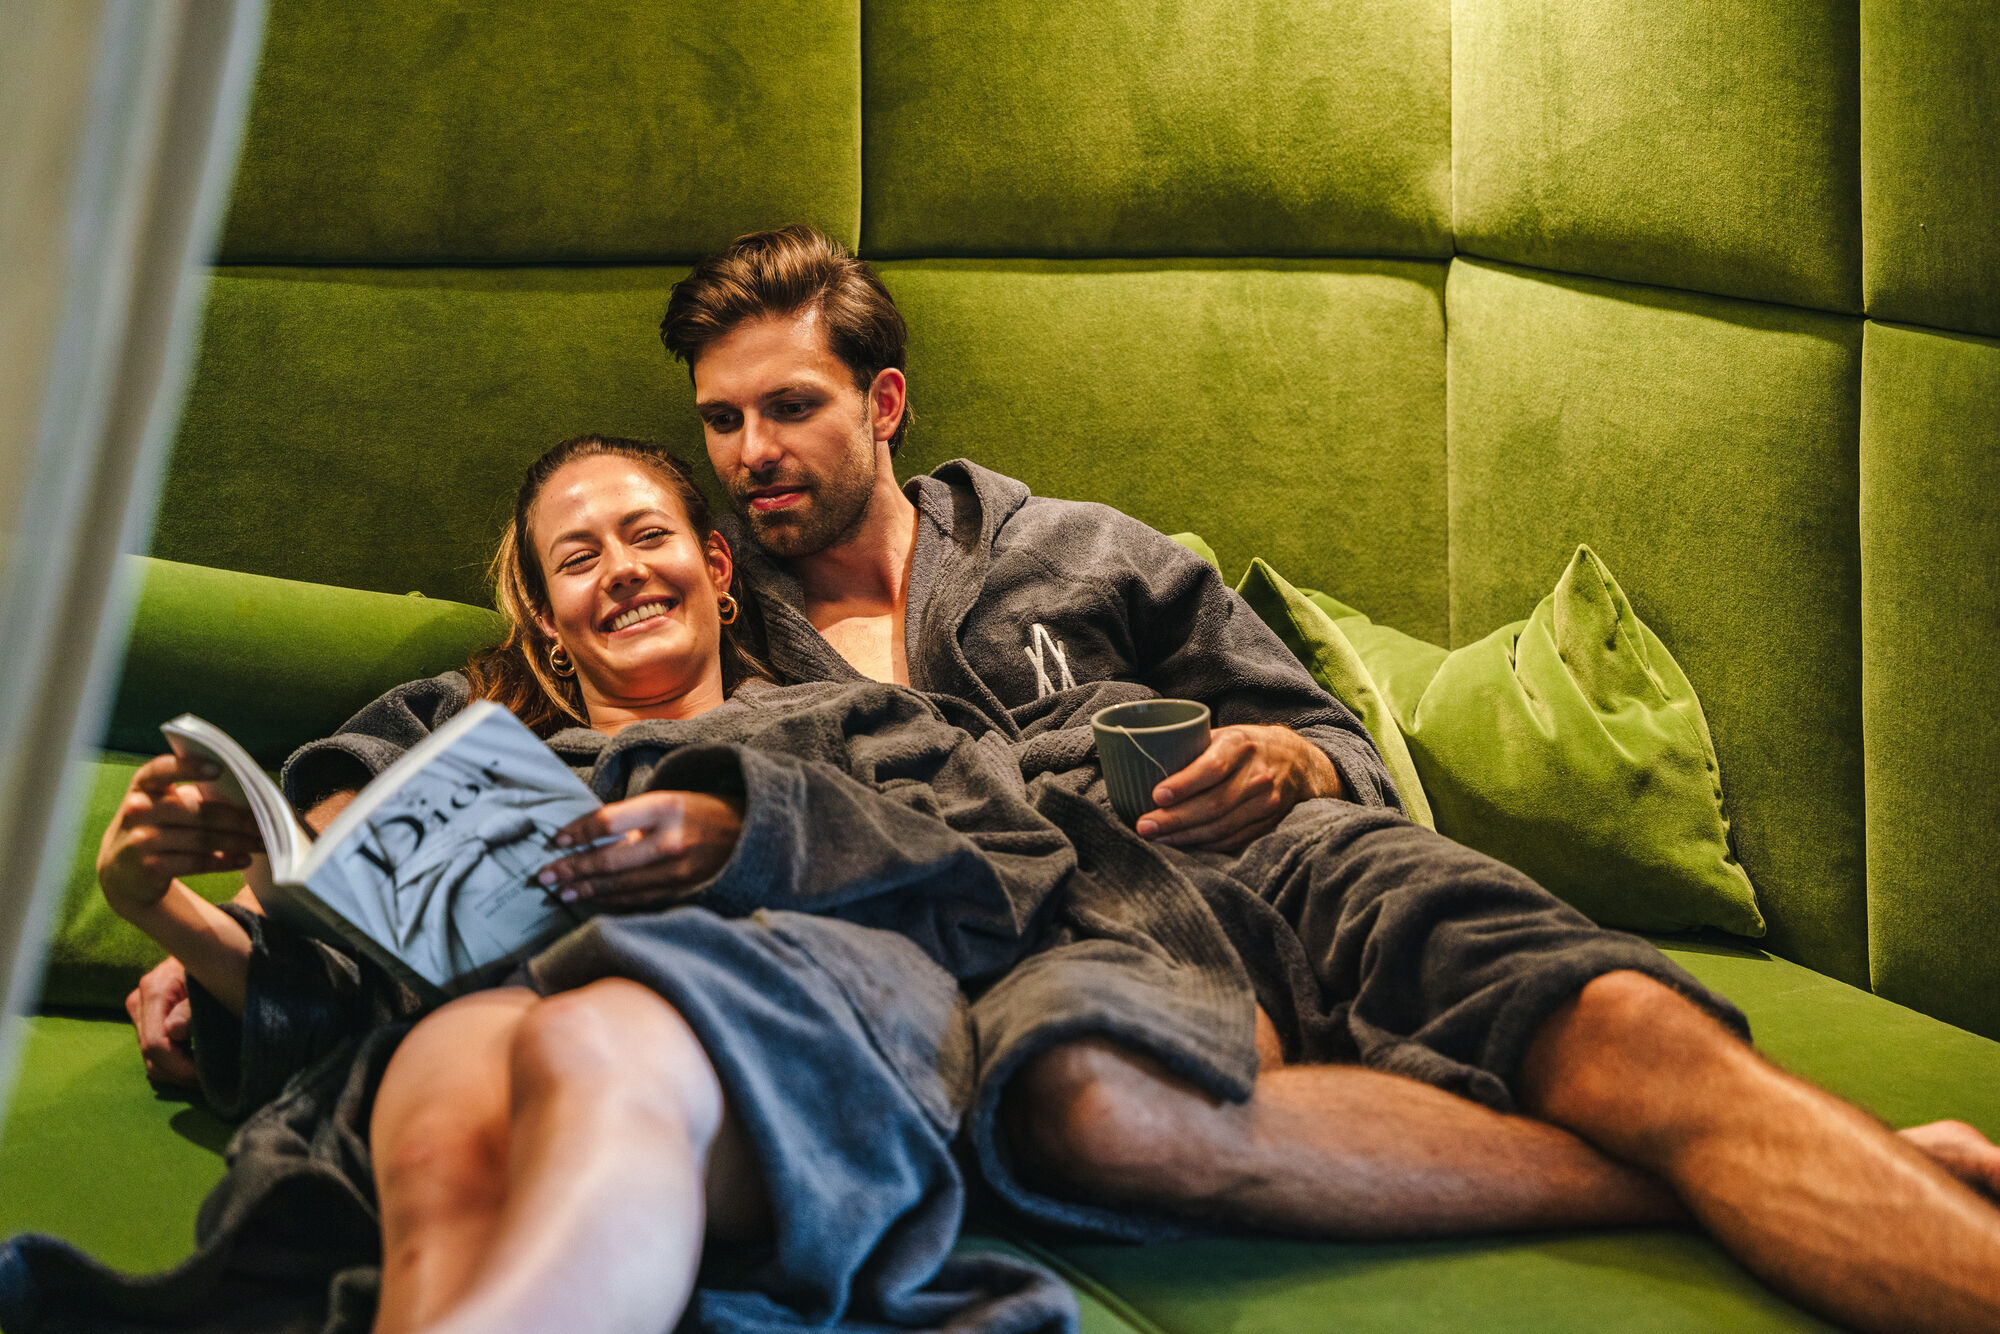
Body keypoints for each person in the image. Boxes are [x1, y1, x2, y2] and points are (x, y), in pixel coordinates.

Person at [648, 223, 2000, 1333]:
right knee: (1088, 1119)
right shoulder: (716, 641)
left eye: (789, 406)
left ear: (882, 403)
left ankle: (1702, 1130)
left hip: (1286, 857)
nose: (751, 451)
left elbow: (1334, 743)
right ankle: (1690, 1170)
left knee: (1635, 1028)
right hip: (1066, 941)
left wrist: (1288, 759)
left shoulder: (1077, 548)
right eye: (721, 419)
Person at [23, 435, 1079, 1334]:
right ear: (545, 618)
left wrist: (743, 830)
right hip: (498, 1013)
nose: (620, 570)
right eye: (578, 559)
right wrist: (158, 907)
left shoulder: (857, 719)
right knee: (444, 1071)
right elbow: (336, 1006)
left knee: (589, 1033)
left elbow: (1010, 870)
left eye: (647, 535)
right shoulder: (471, 761)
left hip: (779, 1012)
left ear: (716, 564)